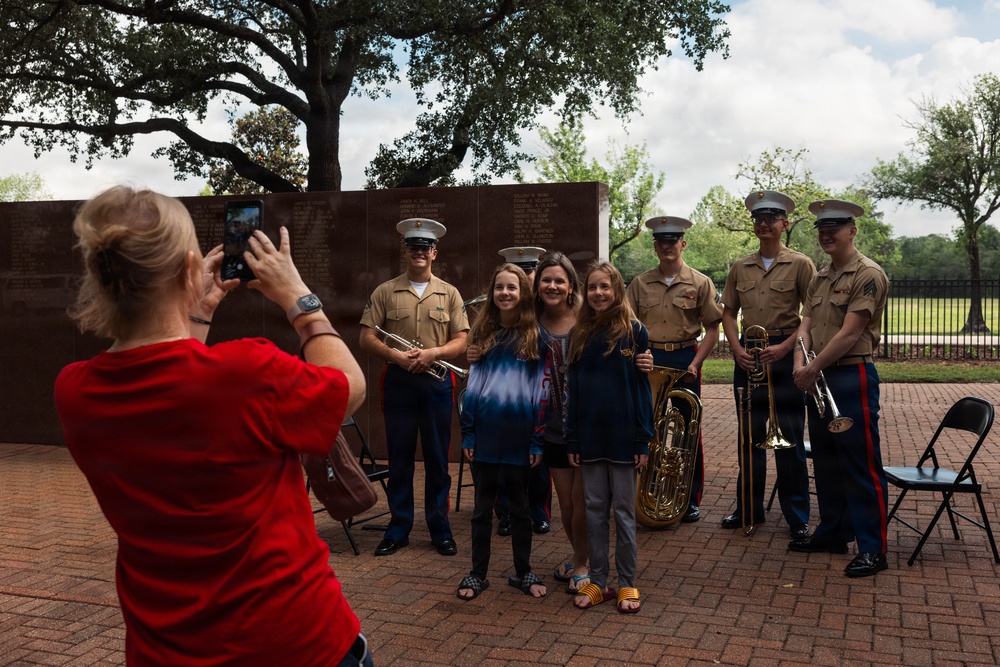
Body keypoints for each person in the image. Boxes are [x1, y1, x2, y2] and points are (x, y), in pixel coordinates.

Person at [54, 186, 371, 666]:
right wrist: (299, 299)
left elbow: (174, 383)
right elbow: (349, 386)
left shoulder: (74, 390)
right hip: (295, 644)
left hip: (164, 649)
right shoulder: (248, 373)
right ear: (188, 270)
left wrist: (196, 312)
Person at [790, 199, 890, 578]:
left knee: (860, 465)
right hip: (819, 377)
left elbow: (850, 333)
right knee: (828, 462)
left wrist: (811, 367)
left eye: (835, 227)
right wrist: (801, 362)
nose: (827, 234)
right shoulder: (820, 275)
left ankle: (873, 548)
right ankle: (833, 533)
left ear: (853, 230)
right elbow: (807, 324)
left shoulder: (868, 274)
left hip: (850, 377)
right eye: (821, 228)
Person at [359, 218, 469, 557]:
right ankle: (398, 528)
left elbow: (462, 340)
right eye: (413, 247)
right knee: (400, 459)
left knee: (437, 458)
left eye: (425, 248)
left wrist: (434, 352)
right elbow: (366, 337)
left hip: (436, 383)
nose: (419, 252)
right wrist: (396, 355)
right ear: (405, 251)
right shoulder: (384, 291)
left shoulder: (449, 293)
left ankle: (440, 529)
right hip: (400, 382)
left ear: (434, 253)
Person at [719, 191, 814, 539]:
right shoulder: (740, 266)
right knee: (750, 437)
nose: (764, 223)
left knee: (788, 439)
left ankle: (797, 517)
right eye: (759, 218)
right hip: (749, 355)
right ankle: (749, 509)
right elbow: (728, 312)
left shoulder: (802, 264)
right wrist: (735, 348)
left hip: (787, 356)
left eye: (772, 218)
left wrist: (788, 346)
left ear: (784, 224)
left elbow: (811, 314)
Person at [456, 263, 548, 601]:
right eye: (499, 287)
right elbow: (474, 389)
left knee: (521, 509)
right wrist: (469, 434)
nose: (505, 293)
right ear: (492, 293)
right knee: (482, 511)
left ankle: (523, 571)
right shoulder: (482, 336)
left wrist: (537, 438)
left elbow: (542, 391)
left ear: (523, 292)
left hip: (521, 437)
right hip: (486, 436)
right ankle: (477, 573)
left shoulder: (535, 336)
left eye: (512, 287)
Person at [567, 260, 653, 614]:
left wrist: (642, 440)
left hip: (623, 438)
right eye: (593, 288)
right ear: (585, 294)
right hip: (589, 438)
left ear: (617, 290)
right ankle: (599, 581)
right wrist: (572, 439)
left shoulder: (634, 332)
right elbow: (573, 390)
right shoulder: (579, 333)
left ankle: (628, 581)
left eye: (606, 287)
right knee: (594, 509)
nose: (599, 293)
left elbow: (641, 391)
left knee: (623, 512)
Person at [625, 216, 722, 523]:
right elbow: (626, 326)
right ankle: (646, 490)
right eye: (661, 241)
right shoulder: (639, 283)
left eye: (672, 241)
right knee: (646, 428)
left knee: (688, 429)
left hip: (685, 358)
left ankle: (689, 499)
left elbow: (712, 330)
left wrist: (696, 363)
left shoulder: (700, 282)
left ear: (683, 243)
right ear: (655, 246)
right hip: (649, 358)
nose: (667, 246)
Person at [493, 246, 552, 536]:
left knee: (539, 459)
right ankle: (505, 511)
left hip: (535, 395)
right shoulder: (498, 310)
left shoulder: (544, 308)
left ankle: (538, 510)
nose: (526, 277)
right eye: (521, 271)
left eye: (530, 271)